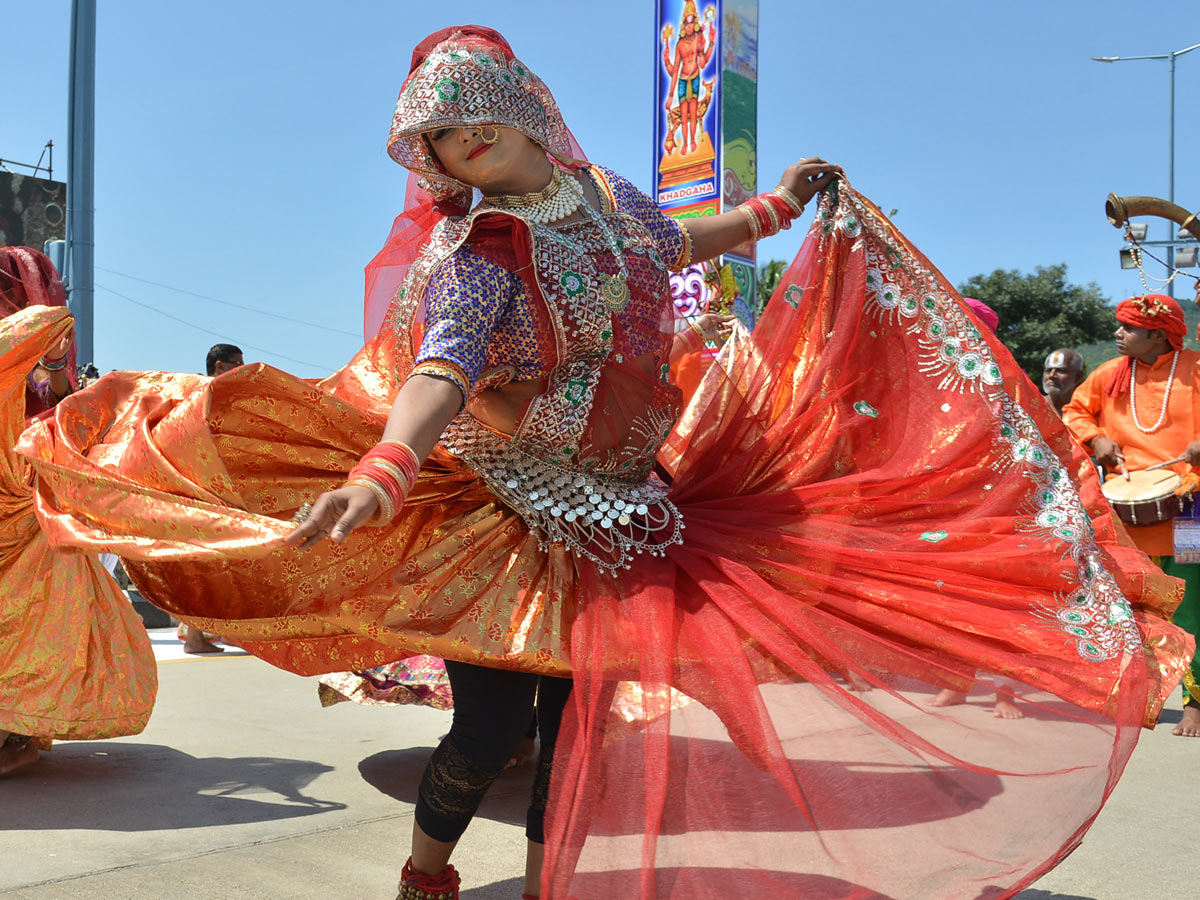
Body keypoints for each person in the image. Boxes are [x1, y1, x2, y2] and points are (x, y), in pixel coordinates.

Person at [19, 27, 1193, 900]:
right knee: (487, 734)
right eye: (440, 134)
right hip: (499, 510)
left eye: (477, 116)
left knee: (579, 729)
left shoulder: (611, 202)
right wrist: (381, 469)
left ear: (531, 110)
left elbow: (685, 239)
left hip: (625, 510)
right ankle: (426, 876)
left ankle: (548, 885)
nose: (459, 142)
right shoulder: (481, 248)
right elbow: (441, 367)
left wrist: (778, 204)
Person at [0, 246, 156, 776]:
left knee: (34, 621)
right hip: (20, 504)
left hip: (25, 508)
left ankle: (16, 731)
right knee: (30, 622)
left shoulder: (32, 348)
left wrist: (49, 359)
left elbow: (55, 401)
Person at [1063, 292, 1200, 739]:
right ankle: (1138, 694)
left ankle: (1195, 701)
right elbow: (1074, 413)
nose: (1117, 334)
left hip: (1188, 511)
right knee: (1130, 604)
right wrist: (1096, 437)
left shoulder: (1196, 370)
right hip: (1126, 511)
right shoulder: (1109, 375)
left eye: (1128, 328)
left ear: (1158, 334)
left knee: (1192, 603)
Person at [1043, 348, 1086, 418]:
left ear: (1078, 376)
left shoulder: (1087, 411)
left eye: (1061, 371)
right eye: (1048, 370)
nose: (1052, 375)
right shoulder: (1032, 407)